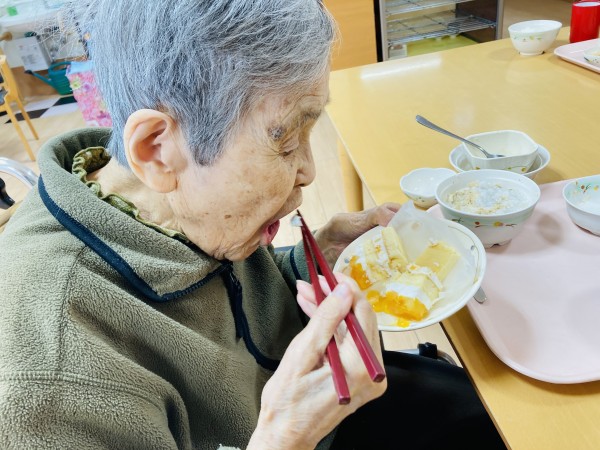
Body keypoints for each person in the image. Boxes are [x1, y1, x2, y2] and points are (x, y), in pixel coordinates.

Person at [0, 1, 506, 449]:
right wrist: (284, 440)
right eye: (285, 143)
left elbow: (225, 303)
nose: (308, 172)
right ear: (156, 148)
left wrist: (314, 258)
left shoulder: (178, 206)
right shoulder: (50, 380)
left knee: (491, 412)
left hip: (316, 398)